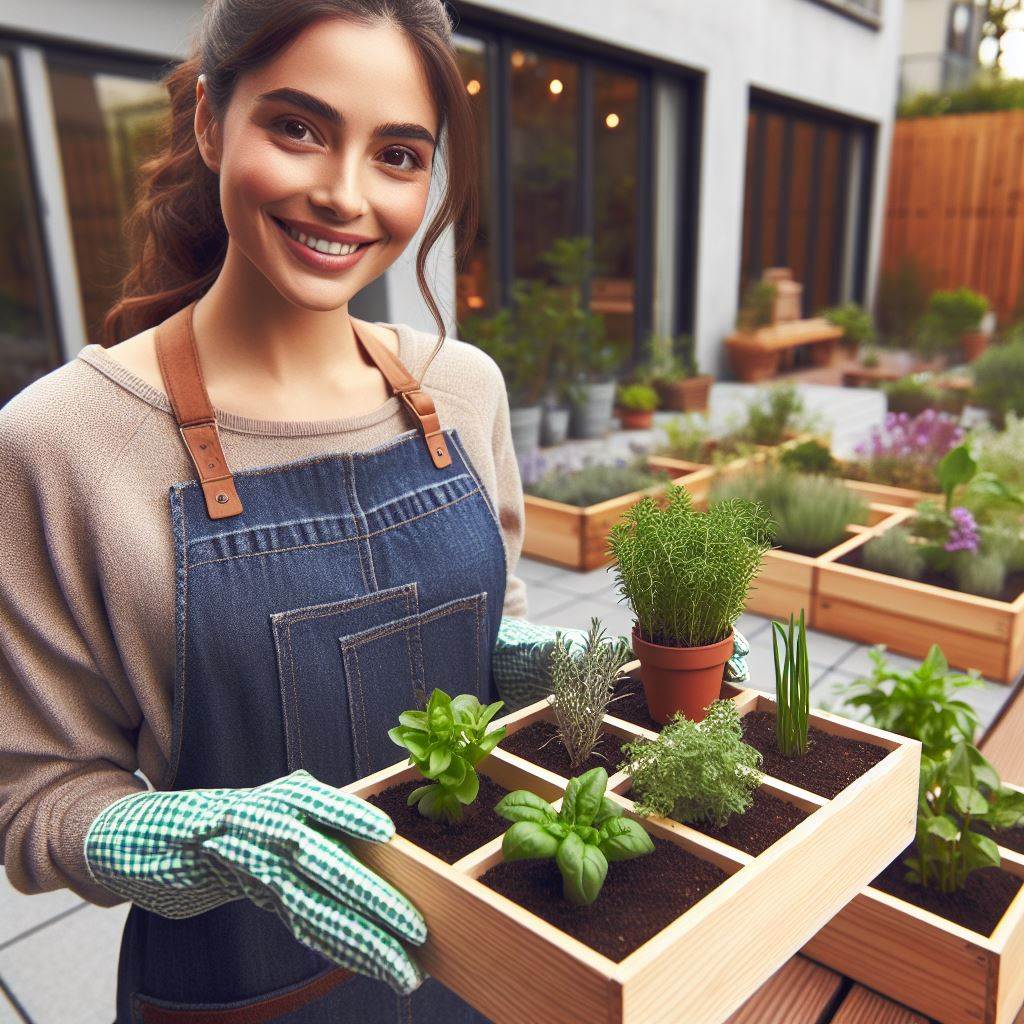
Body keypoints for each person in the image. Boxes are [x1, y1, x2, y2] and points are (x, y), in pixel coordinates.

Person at [0, 2, 748, 1021]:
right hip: (239, 989)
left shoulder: (462, 389)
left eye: (397, 154)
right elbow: (36, 798)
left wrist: (556, 663)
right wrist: (208, 838)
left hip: (484, 951)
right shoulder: (64, 440)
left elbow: (494, 617)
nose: (344, 195)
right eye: (297, 127)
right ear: (214, 122)